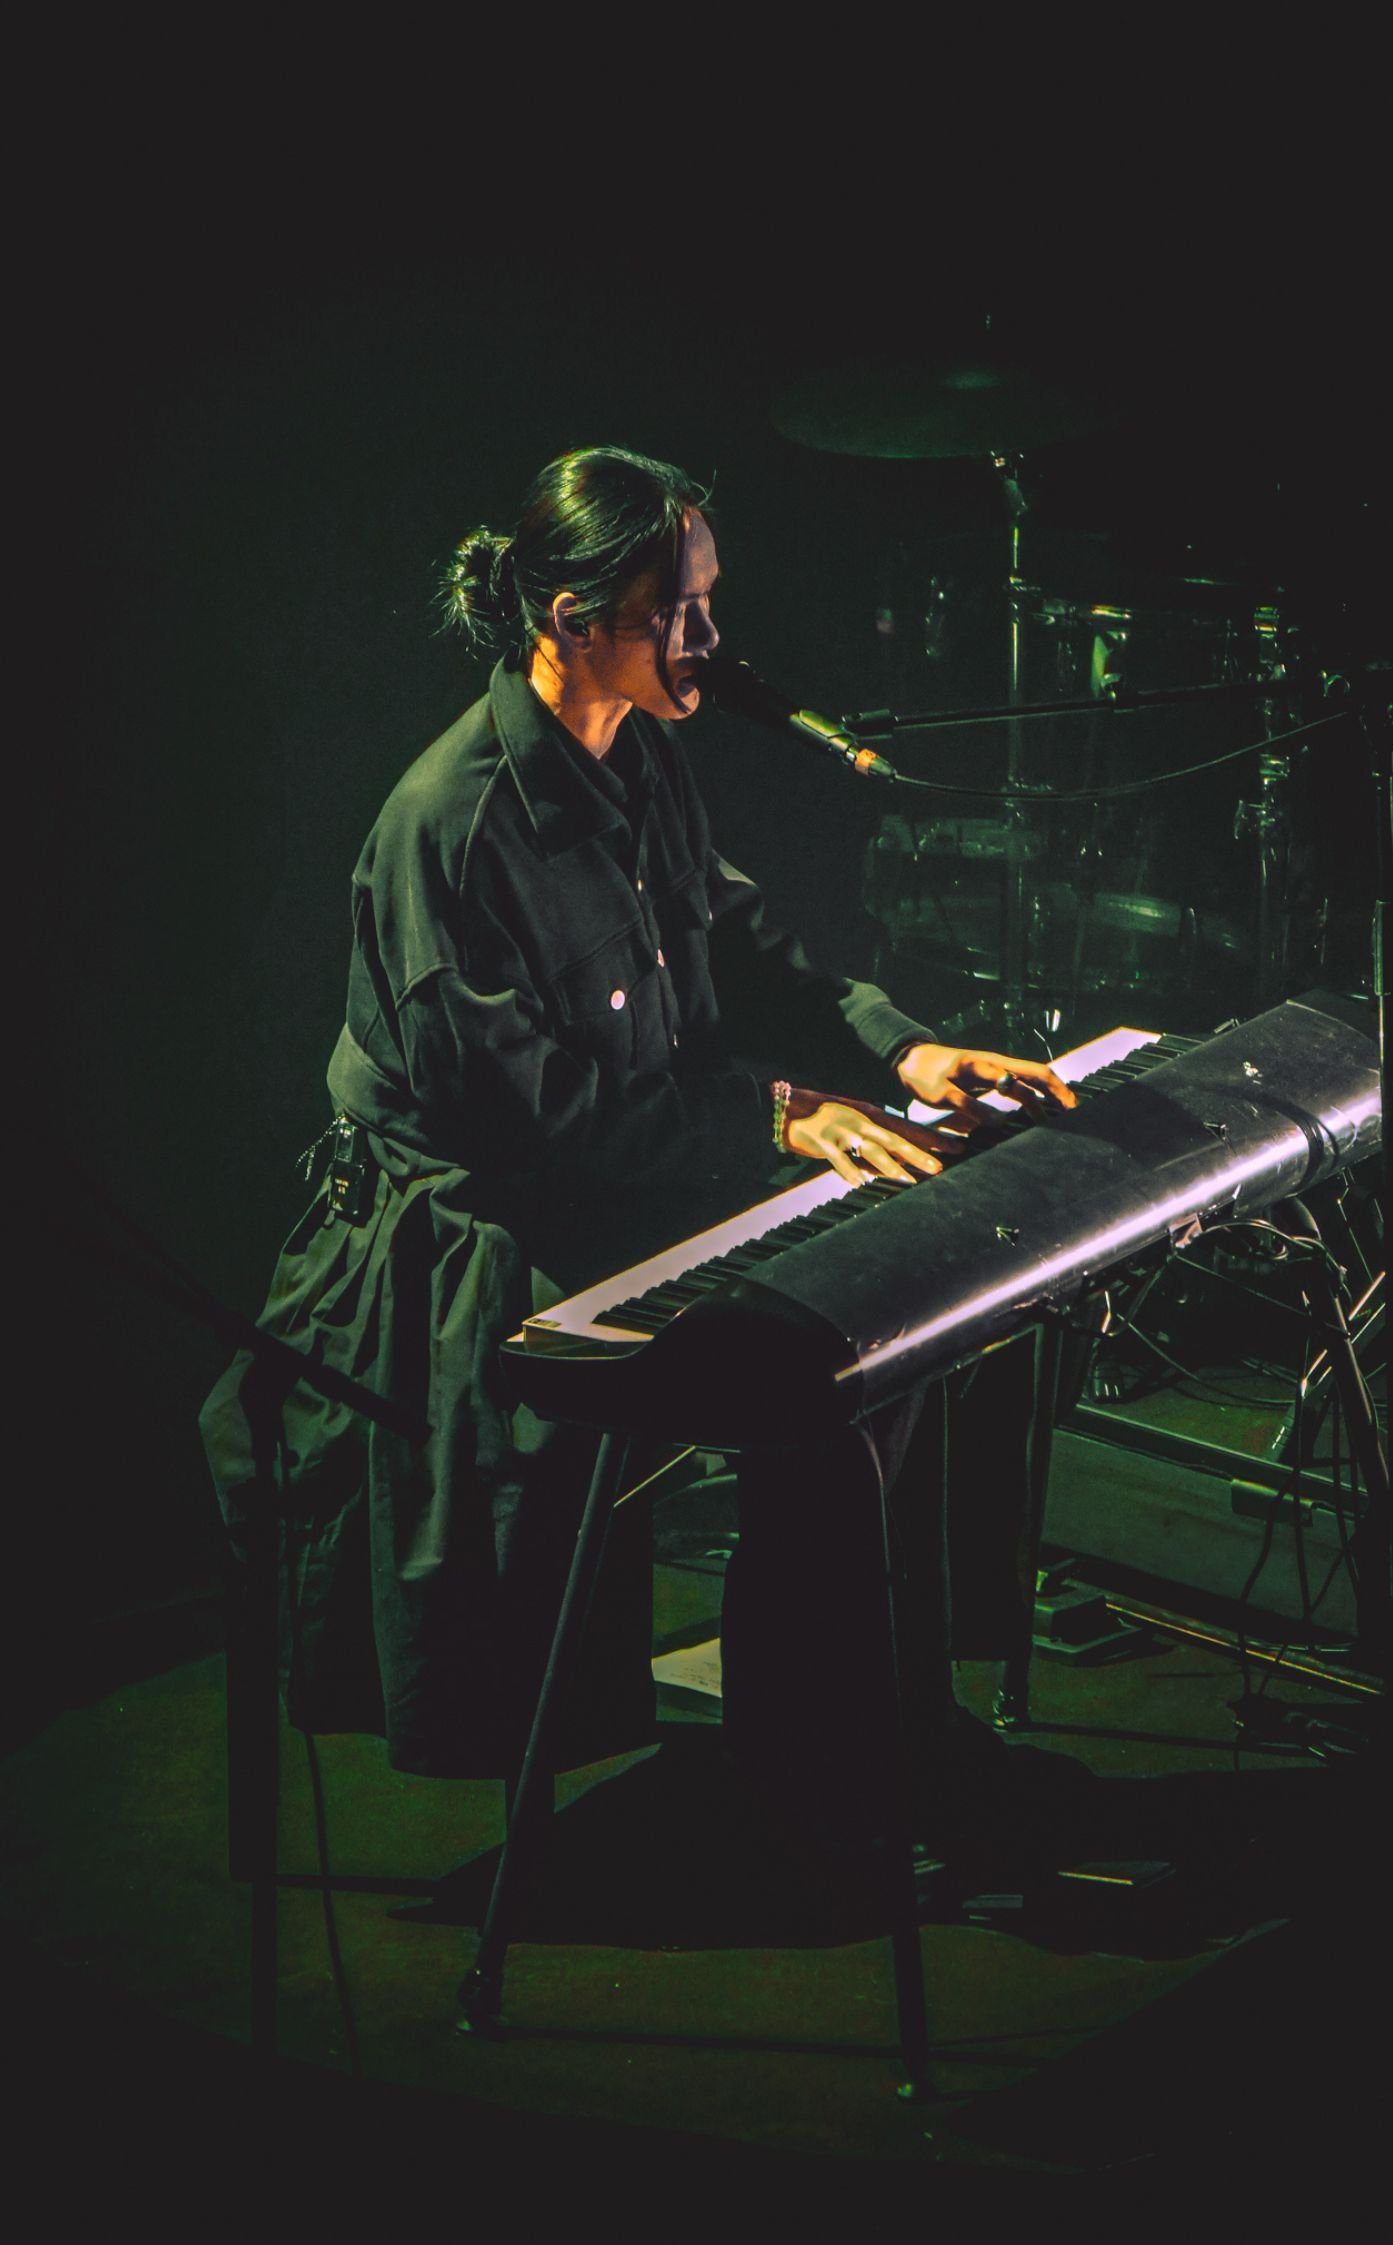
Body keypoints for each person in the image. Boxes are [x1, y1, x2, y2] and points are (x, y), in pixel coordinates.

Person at [200, 446, 1077, 1855]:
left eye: (710, 602)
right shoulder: (453, 826)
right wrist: (780, 1119)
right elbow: (527, 1121)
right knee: (823, 1361)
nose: (711, 640)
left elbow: (741, 944)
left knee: (897, 1313)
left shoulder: (643, 757)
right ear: (570, 614)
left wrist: (902, 1049)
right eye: (680, 607)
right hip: (481, 1248)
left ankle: (848, 1731)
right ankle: (810, 1763)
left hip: (634, 1177)